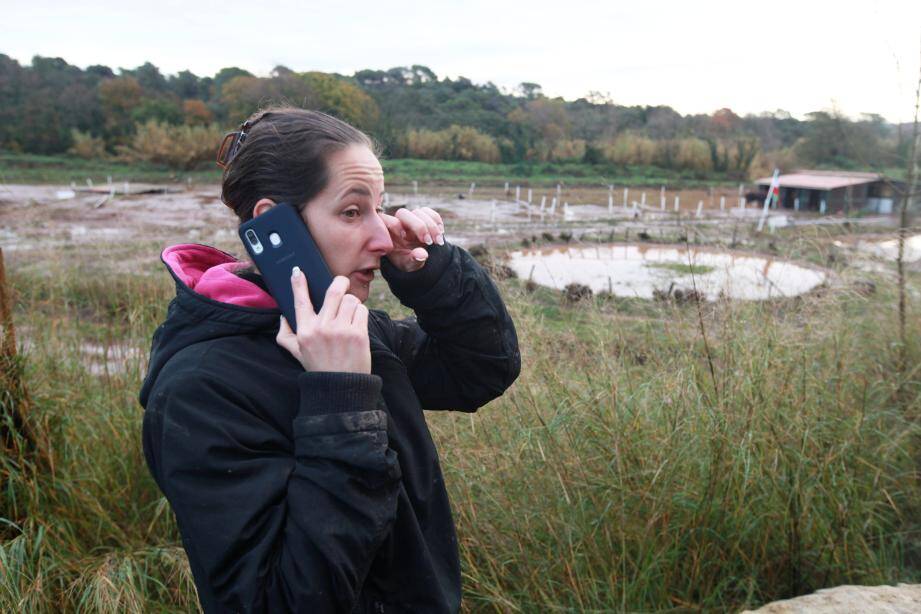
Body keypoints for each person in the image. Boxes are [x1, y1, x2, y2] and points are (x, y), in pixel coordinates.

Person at [139, 106, 520, 613]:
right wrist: (340, 397)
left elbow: (480, 371)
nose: (384, 235)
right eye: (352, 211)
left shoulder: (354, 329)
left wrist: (432, 274)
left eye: (380, 208)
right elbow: (275, 601)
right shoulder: (200, 390)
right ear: (274, 225)